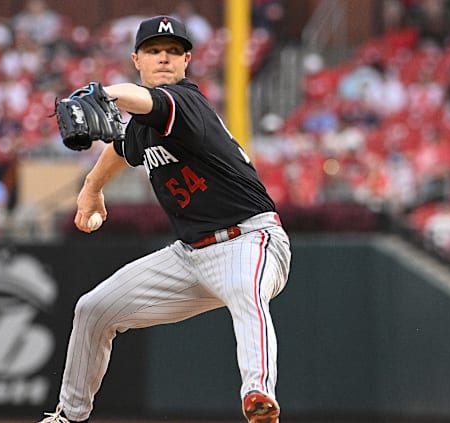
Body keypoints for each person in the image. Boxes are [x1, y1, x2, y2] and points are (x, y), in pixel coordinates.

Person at [39, 16, 290, 423]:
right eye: (154, 51)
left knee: (245, 289)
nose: (164, 58)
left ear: (187, 60)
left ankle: (259, 392)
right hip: (190, 255)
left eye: (173, 52)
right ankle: (70, 415)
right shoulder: (142, 125)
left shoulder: (185, 101)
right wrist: (91, 189)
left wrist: (105, 93)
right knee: (93, 310)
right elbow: (122, 147)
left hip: (250, 239)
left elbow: (146, 102)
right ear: (136, 58)